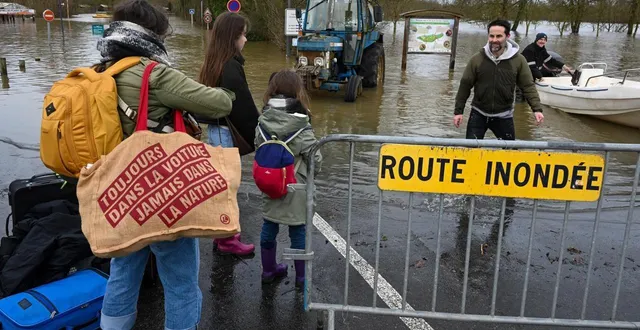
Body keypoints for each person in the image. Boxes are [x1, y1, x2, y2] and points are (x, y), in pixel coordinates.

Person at [94, 1, 235, 329]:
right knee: (181, 282)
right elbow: (216, 103)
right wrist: (229, 91)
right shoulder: (151, 72)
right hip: (158, 195)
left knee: (122, 275)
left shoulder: (101, 70)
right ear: (152, 34)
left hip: (117, 194)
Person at [197, 12, 259, 257]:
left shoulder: (214, 61)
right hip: (226, 132)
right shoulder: (232, 66)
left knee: (221, 184)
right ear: (233, 37)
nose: (245, 40)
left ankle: (220, 233)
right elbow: (243, 106)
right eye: (243, 34)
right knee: (227, 186)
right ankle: (228, 240)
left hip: (216, 130)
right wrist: (259, 134)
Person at [254, 69, 322, 287]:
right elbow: (316, 159)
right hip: (295, 186)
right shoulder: (302, 126)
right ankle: (301, 278)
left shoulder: (262, 121)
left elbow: (258, 147)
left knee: (269, 225)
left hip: (270, 182)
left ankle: (268, 270)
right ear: (297, 91)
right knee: (297, 229)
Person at [453, 19, 544, 141]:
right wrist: (458, 111)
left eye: (499, 36)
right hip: (478, 114)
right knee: (471, 151)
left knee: (510, 154)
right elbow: (465, 85)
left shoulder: (518, 60)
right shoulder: (477, 59)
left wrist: (537, 109)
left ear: (507, 36)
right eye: (491, 36)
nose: (494, 40)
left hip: (504, 116)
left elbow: (528, 86)